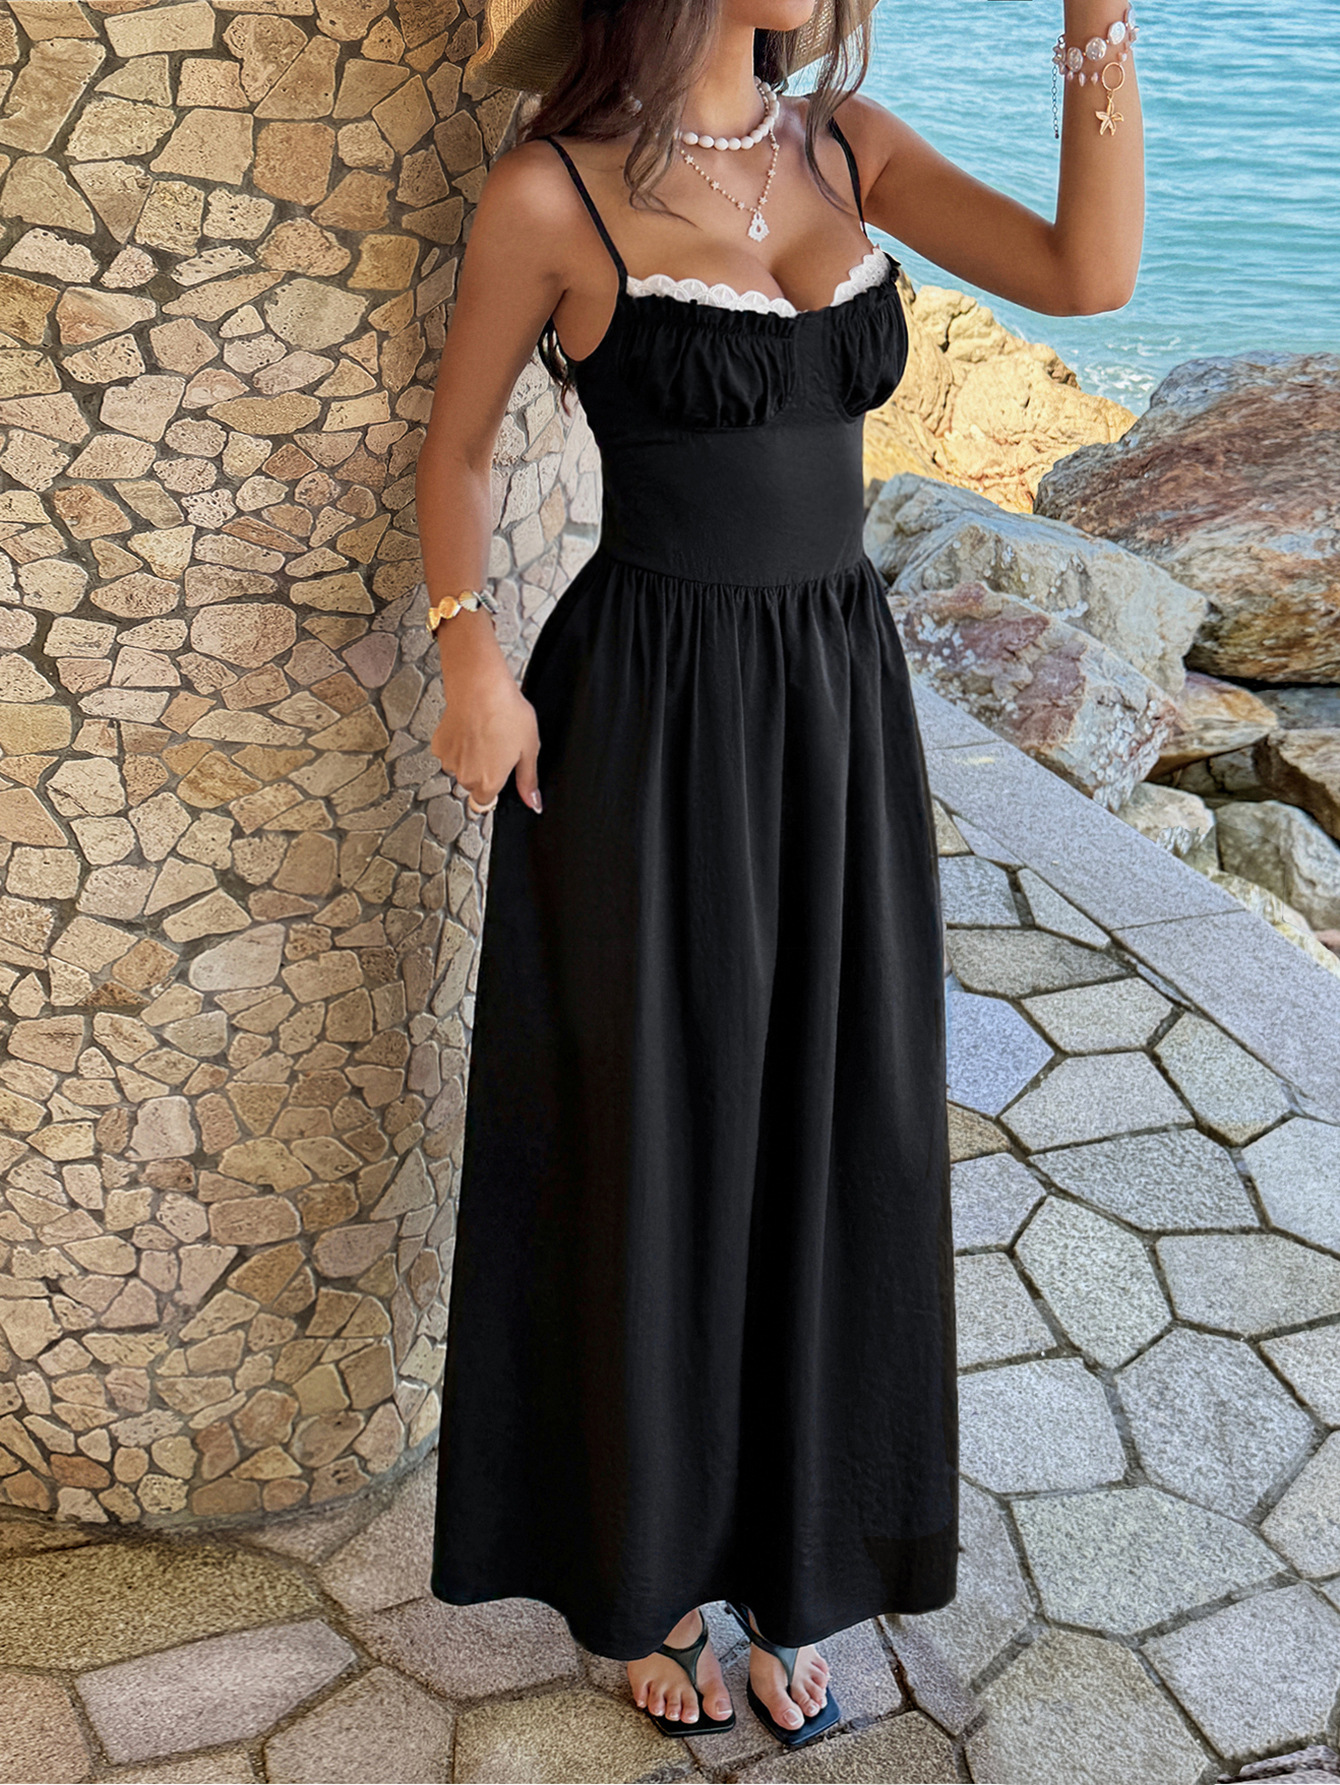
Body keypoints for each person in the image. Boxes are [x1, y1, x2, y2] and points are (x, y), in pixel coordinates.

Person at [417, 0, 1143, 1751]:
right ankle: (656, 1573)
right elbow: (456, 450)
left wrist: (1098, 22)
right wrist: (470, 657)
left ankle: (800, 1557)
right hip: (646, 717)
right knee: (659, 1132)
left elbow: (1089, 276)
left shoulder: (849, 149)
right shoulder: (550, 193)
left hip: (835, 708)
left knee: (832, 1120)